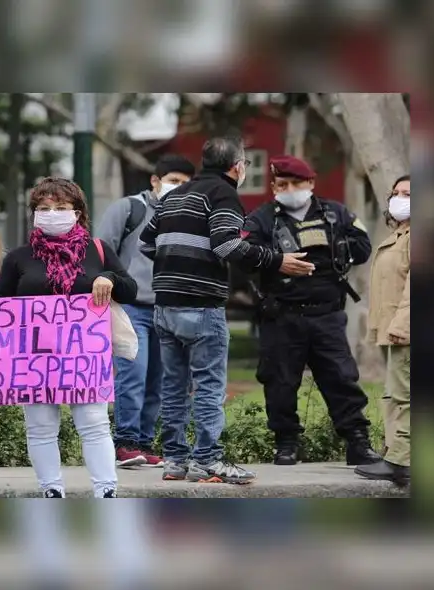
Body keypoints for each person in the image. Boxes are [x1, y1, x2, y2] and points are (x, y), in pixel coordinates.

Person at [140, 137, 315, 485]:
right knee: (208, 386)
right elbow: (226, 243)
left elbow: (147, 241)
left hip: (164, 306)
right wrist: (277, 260)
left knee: (174, 386)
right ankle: (207, 461)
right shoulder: (223, 195)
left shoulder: (173, 196)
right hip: (202, 306)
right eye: (246, 163)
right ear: (236, 166)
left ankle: (175, 460)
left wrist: (176, 265)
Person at [0, 177, 137, 497]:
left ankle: (105, 490)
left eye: (60, 207)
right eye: (44, 208)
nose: (52, 213)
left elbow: (130, 290)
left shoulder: (98, 251)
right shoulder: (18, 258)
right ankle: (51, 490)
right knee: (40, 428)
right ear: (34, 214)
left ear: (78, 212)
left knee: (94, 423)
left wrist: (108, 277)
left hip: (83, 356)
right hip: (34, 356)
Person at [241, 155, 380, 466]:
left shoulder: (335, 213)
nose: (289, 189)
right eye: (282, 184)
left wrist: (334, 249)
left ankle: (357, 440)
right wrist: (277, 260)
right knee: (280, 382)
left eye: (296, 183)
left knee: (341, 378)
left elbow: (362, 246)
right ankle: (286, 443)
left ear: (311, 184)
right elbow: (243, 254)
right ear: (274, 187)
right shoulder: (263, 217)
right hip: (282, 315)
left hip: (327, 314)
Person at [96, 154, 196, 467]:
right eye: (173, 181)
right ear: (155, 180)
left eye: (184, 183)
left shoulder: (187, 214)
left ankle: (142, 442)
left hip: (167, 308)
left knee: (159, 381)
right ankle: (124, 441)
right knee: (133, 376)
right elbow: (101, 250)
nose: (177, 187)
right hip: (130, 307)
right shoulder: (129, 208)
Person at [356, 176, 411, 484]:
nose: (400, 198)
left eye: (408, 194)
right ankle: (394, 453)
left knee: (406, 395)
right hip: (393, 330)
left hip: (407, 329)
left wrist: (402, 325)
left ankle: (402, 462)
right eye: (396, 193)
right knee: (394, 394)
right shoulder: (399, 234)